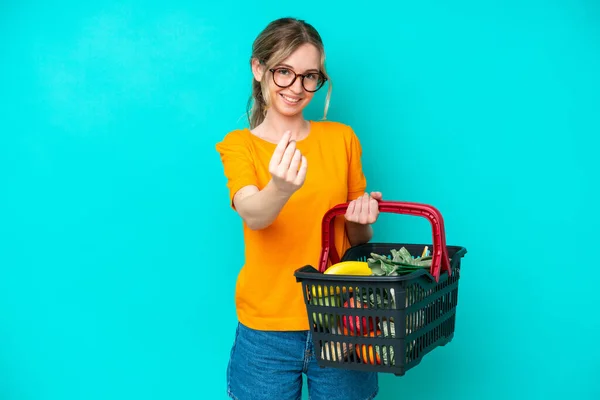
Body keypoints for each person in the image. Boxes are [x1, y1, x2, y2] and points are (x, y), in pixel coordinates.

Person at [215, 17, 382, 400]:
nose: (297, 87)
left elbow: (357, 241)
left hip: (343, 323)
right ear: (258, 69)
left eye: (310, 76)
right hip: (266, 332)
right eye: (284, 72)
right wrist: (280, 187)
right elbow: (255, 214)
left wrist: (362, 220)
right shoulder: (240, 146)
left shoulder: (342, 139)